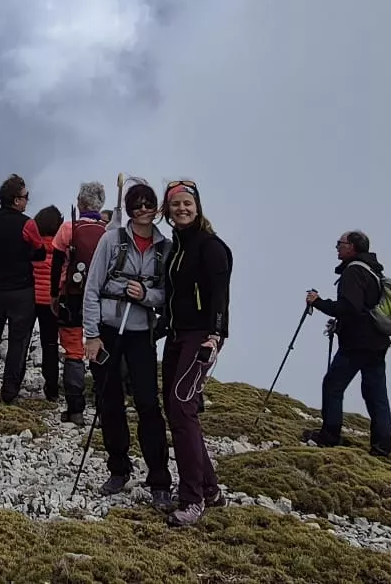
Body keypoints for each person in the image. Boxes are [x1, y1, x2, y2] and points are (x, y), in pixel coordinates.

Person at [81, 179, 174, 508]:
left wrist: (145, 295)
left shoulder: (166, 248)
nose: (143, 210)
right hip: (107, 331)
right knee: (109, 401)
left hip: (141, 334)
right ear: (130, 209)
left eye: (149, 204)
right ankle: (118, 469)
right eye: (137, 204)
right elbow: (91, 288)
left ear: (157, 208)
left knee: (149, 404)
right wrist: (91, 335)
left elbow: (167, 296)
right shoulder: (111, 240)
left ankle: (159, 478)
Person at [158, 179, 232, 526]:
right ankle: (210, 488)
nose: (182, 209)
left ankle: (192, 500)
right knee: (176, 409)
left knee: (181, 408)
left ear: (197, 206)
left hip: (202, 337)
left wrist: (216, 334)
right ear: (167, 210)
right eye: (175, 205)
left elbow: (220, 296)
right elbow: (174, 297)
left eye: (187, 203)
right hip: (177, 335)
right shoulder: (178, 246)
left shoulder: (211, 247)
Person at [305, 230, 391, 457]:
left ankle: (329, 436)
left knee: (333, 385)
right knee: (376, 394)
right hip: (376, 341)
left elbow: (350, 308)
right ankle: (382, 447)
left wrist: (319, 302)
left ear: (352, 247)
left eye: (340, 243)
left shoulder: (353, 271)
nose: (337, 247)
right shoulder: (372, 269)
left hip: (357, 343)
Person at [0, 174, 47, 403]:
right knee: (18, 340)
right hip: (21, 289)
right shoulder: (27, 223)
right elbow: (40, 250)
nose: (27, 201)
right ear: (16, 200)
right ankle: (9, 390)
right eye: (26, 197)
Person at [47, 181, 107, 425]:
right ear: (100, 204)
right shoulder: (109, 233)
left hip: (72, 298)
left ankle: (75, 411)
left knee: (73, 351)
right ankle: (104, 410)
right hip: (102, 302)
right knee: (100, 351)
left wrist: (54, 294)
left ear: (80, 203)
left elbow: (56, 263)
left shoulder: (68, 228)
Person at [29, 204, 66, 406]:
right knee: (50, 344)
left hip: (30, 299)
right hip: (52, 302)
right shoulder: (63, 247)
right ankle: (51, 388)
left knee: (22, 341)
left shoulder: (32, 244)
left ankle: (13, 383)